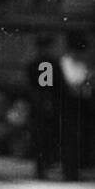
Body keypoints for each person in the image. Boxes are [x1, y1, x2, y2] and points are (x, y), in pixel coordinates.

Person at [58, 33, 92, 181]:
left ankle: (75, 171)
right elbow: (71, 85)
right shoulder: (65, 63)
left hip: (82, 106)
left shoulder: (81, 63)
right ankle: (69, 172)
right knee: (70, 140)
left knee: (79, 141)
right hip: (69, 106)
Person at [25, 34, 58, 180]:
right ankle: (44, 167)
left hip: (37, 103)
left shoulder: (33, 64)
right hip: (45, 103)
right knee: (45, 137)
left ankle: (41, 168)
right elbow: (48, 84)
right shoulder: (49, 64)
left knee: (39, 138)